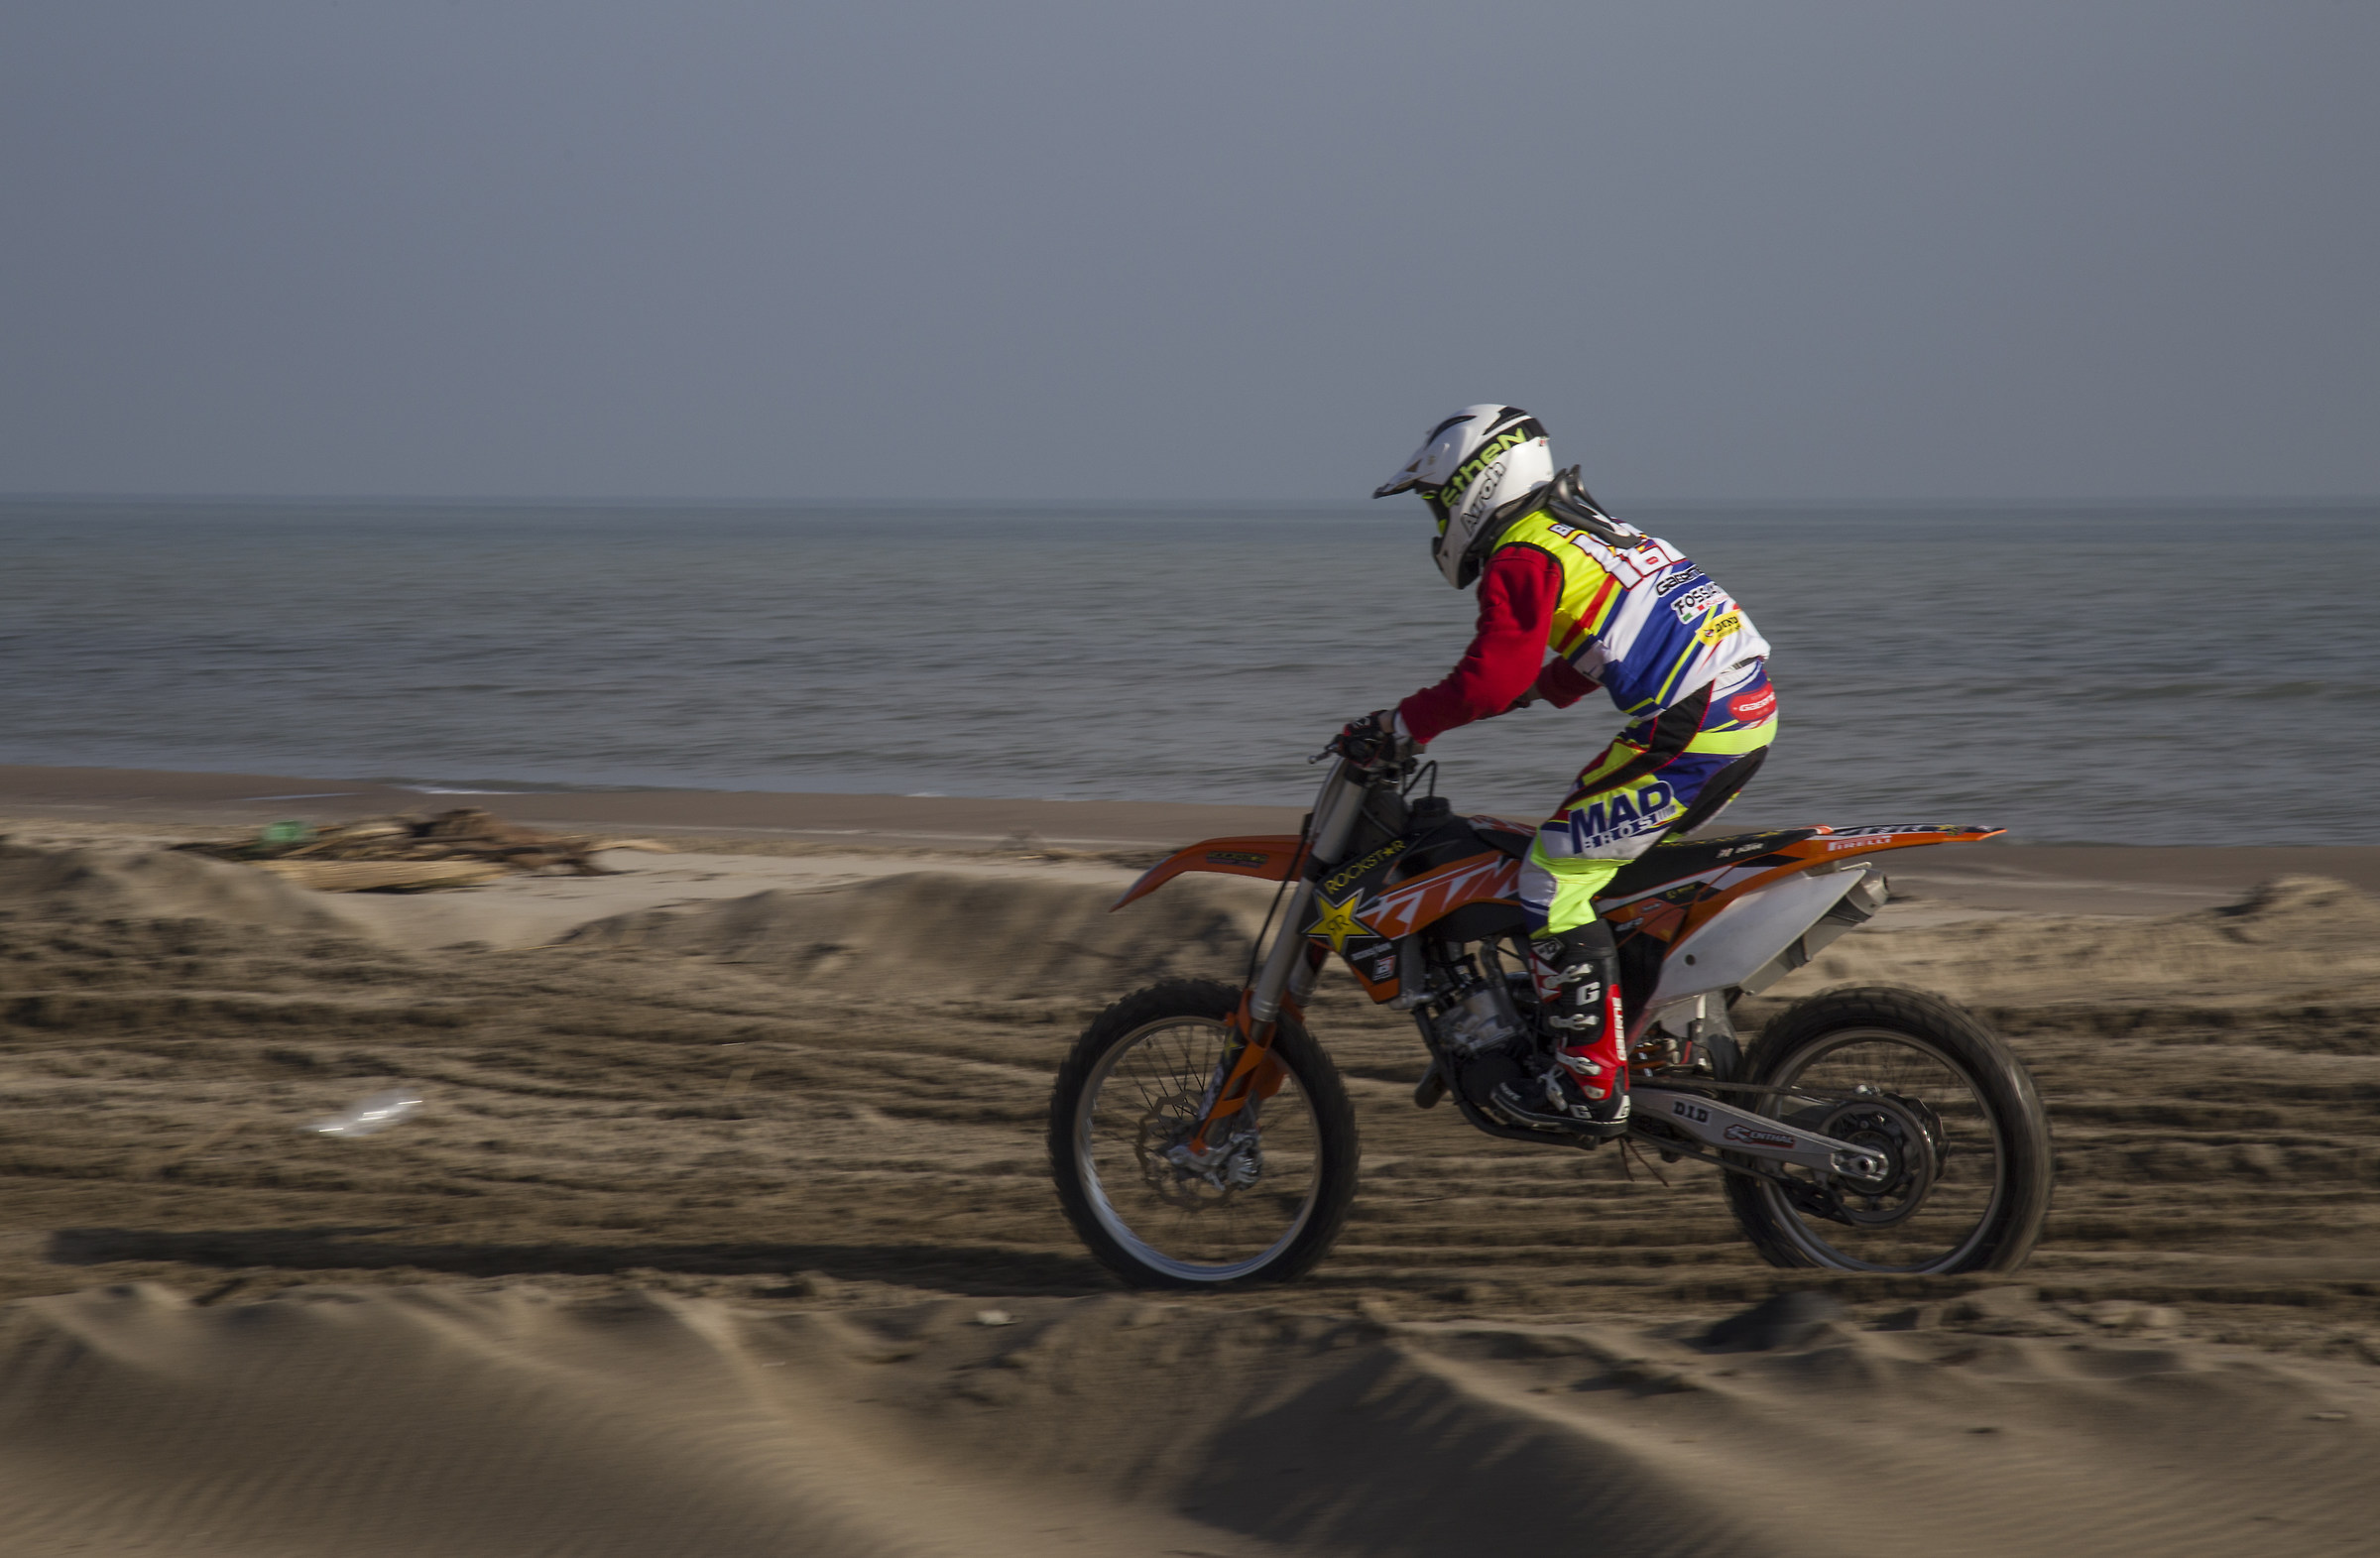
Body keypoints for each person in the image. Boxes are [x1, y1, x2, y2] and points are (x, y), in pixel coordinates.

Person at [1349, 405, 1778, 1139]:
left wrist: (1402, 723)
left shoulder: (1522, 552)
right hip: (1732, 708)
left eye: (1439, 498)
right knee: (1589, 858)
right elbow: (1613, 628)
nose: (1438, 516)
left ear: (1476, 486)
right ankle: (1635, 1022)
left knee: (1550, 874)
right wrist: (1544, 688)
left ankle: (1590, 1085)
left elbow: (1486, 677)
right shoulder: (1582, 527)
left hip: (1695, 728)